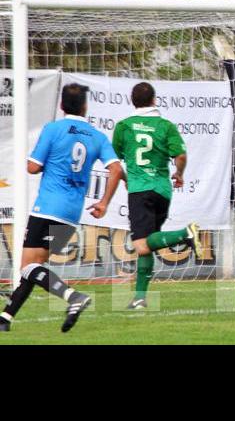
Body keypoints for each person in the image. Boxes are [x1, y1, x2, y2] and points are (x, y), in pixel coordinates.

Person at [0, 84, 124, 333]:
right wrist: (103, 203)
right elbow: (116, 169)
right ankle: (5, 319)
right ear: (85, 107)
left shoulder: (54, 129)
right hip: (71, 213)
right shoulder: (97, 136)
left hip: (47, 207)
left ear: (61, 105)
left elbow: (33, 167)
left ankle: (72, 297)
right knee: (33, 268)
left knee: (27, 266)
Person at [112, 82, 199, 310]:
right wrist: (178, 174)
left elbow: (114, 161)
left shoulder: (124, 126)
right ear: (154, 100)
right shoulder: (165, 125)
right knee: (148, 243)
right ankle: (140, 298)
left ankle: (185, 233)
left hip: (140, 190)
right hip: (162, 190)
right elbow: (180, 155)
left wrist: (125, 178)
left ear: (133, 101)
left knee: (141, 245)